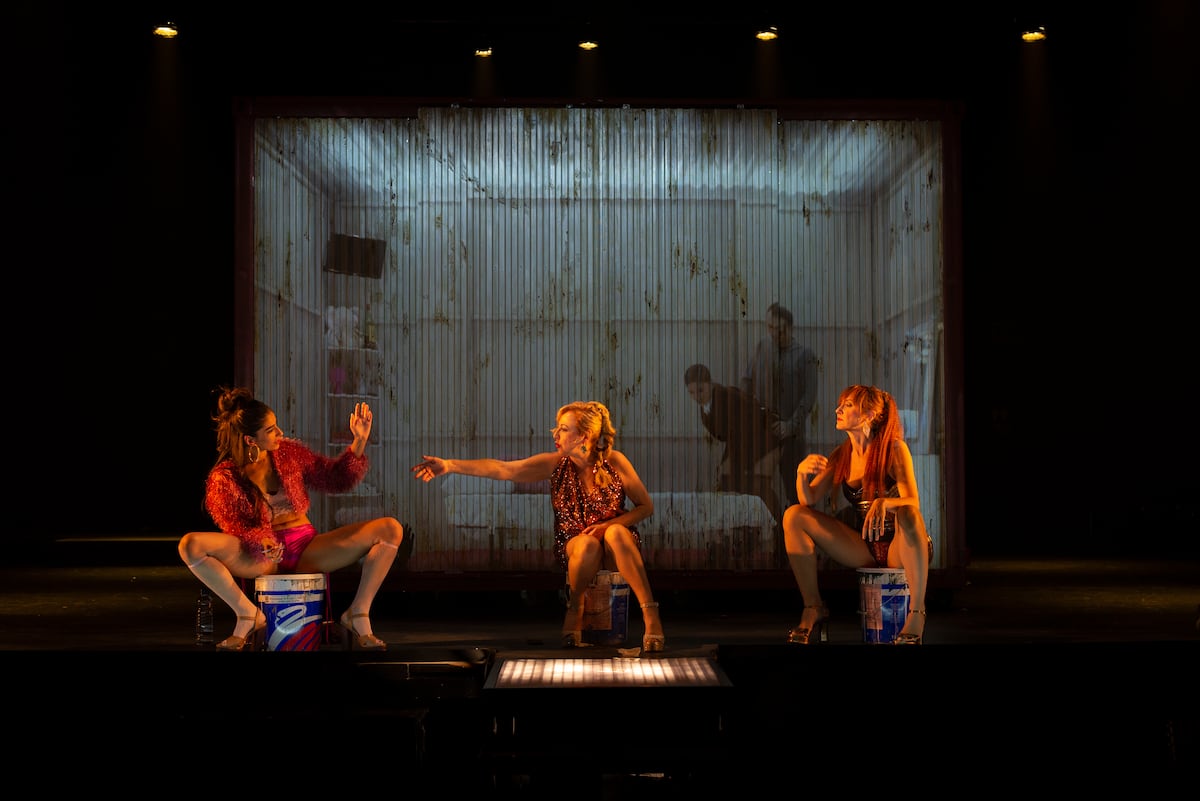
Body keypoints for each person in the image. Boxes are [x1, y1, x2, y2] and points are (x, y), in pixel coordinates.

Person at [411, 400, 665, 652]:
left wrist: (607, 526)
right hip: (578, 547)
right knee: (587, 544)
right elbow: (504, 469)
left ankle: (650, 613)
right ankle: (575, 608)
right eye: (557, 427)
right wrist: (450, 465)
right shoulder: (556, 464)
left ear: (583, 436)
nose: (555, 434)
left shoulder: (615, 461)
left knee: (616, 533)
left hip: (615, 549)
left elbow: (645, 507)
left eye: (564, 429)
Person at [178, 386, 405, 651]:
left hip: (307, 548)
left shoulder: (288, 453)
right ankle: (247, 614)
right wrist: (260, 541)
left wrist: (359, 442)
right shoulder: (224, 478)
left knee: (390, 529)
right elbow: (235, 527)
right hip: (261, 556)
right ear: (251, 440)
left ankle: (358, 613)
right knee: (190, 545)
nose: (280, 433)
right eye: (271, 430)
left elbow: (335, 478)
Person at [781, 384, 933, 645]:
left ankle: (917, 613)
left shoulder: (894, 449)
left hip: (902, 546)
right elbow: (808, 499)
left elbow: (914, 502)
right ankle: (813, 607)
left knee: (908, 513)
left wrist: (886, 502)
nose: (838, 410)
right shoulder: (842, 455)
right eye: (840, 404)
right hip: (865, 546)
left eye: (847, 405)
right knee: (794, 516)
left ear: (868, 415)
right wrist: (801, 474)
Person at [683, 363, 785, 533]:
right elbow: (728, 436)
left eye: (700, 390)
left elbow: (742, 429)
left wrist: (729, 462)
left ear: (710, 384)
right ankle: (745, 533)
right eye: (691, 393)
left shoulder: (726, 397)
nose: (696, 397)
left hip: (767, 436)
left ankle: (781, 530)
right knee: (733, 483)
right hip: (748, 441)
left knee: (757, 484)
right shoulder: (706, 409)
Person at [741, 302, 818, 508]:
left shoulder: (805, 355)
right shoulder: (762, 348)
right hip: (762, 431)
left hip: (791, 437)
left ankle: (797, 526)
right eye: (770, 327)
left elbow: (808, 397)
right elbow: (747, 381)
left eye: (778, 329)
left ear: (789, 328)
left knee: (796, 492)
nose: (773, 333)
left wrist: (790, 425)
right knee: (756, 486)